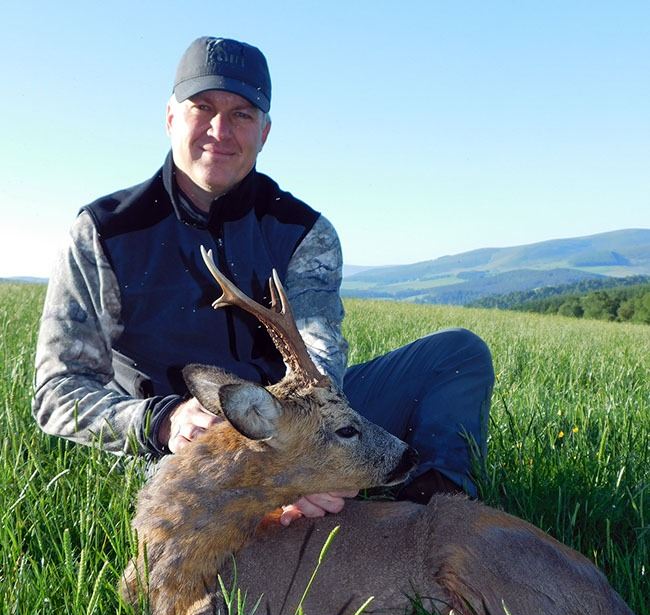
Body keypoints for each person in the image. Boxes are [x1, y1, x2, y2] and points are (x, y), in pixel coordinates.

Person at [33, 36, 494, 524]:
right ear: (170, 117)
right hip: (182, 446)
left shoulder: (301, 231)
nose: (220, 130)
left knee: (457, 355)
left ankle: (432, 516)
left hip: (292, 421)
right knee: (197, 502)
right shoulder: (105, 232)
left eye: (242, 114)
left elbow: (320, 354)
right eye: (202, 108)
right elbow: (59, 390)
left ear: (265, 131)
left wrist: (304, 452)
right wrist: (161, 421)